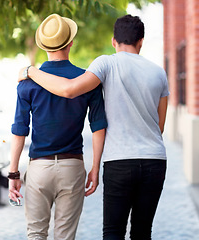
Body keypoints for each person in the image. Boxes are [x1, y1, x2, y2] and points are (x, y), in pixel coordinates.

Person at [18, 14, 169, 240]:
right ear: (141, 41)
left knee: (113, 232)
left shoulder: (106, 63)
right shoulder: (159, 72)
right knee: (142, 232)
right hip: (155, 160)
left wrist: (31, 71)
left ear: (113, 41)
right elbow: (160, 126)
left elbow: (69, 89)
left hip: (119, 161)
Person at [8, 13, 107, 240]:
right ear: (71, 43)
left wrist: (13, 171)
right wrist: (95, 168)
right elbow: (98, 126)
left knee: (35, 234)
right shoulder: (86, 80)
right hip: (72, 167)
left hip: (39, 169)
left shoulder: (27, 84)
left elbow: (19, 130)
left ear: (43, 46)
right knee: (65, 237)